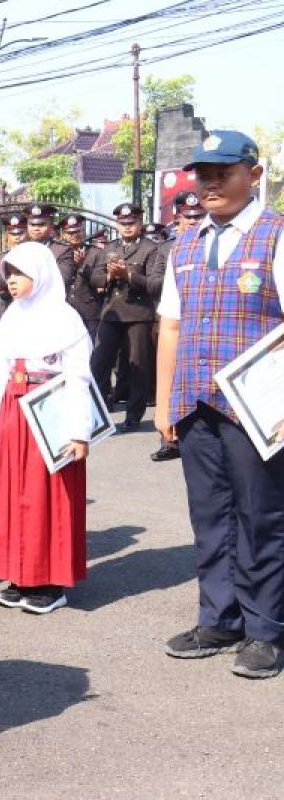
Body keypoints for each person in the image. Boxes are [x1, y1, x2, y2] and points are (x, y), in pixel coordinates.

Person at [156, 130, 284, 679]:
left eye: (222, 172)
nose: (208, 182)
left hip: (257, 406)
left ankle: (266, 631)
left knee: (261, 518)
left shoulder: (275, 234)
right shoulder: (185, 242)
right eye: (202, 173)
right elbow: (171, 324)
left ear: (253, 175)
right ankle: (220, 617)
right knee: (210, 517)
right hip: (195, 402)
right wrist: (164, 404)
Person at [0, 242, 93, 614]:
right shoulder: (11, 317)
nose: (11, 280)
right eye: (8, 273)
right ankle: (19, 574)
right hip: (12, 411)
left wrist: (77, 430)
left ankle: (49, 582)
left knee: (47, 496)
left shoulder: (65, 319)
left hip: (50, 410)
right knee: (14, 494)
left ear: (42, 273)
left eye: (19, 273)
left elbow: (79, 376)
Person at [86, 203, 162, 432]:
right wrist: (109, 275)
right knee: (98, 365)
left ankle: (133, 416)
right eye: (123, 223)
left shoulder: (151, 248)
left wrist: (128, 274)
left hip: (138, 314)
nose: (127, 227)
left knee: (138, 367)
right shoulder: (109, 248)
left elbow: (154, 284)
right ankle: (95, 415)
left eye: (132, 223)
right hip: (111, 313)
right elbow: (95, 279)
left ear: (140, 222)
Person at [149, 192, 206, 463]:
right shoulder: (169, 249)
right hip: (170, 319)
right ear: (178, 218)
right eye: (189, 217)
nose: (194, 221)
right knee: (171, 377)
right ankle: (169, 441)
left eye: (199, 216)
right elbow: (153, 283)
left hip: (204, 328)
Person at [63, 215, 104, 341]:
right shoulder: (60, 253)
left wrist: (82, 267)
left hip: (89, 312)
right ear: (63, 234)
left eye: (78, 231)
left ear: (84, 231)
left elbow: (100, 282)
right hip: (65, 311)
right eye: (70, 233)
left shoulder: (96, 253)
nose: (74, 235)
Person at [0, 214, 28, 320]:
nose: (17, 238)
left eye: (20, 233)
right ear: (7, 236)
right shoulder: (3, 257)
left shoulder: (34, 256)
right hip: (8, 307)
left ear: (27, 234)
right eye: (12, 234)